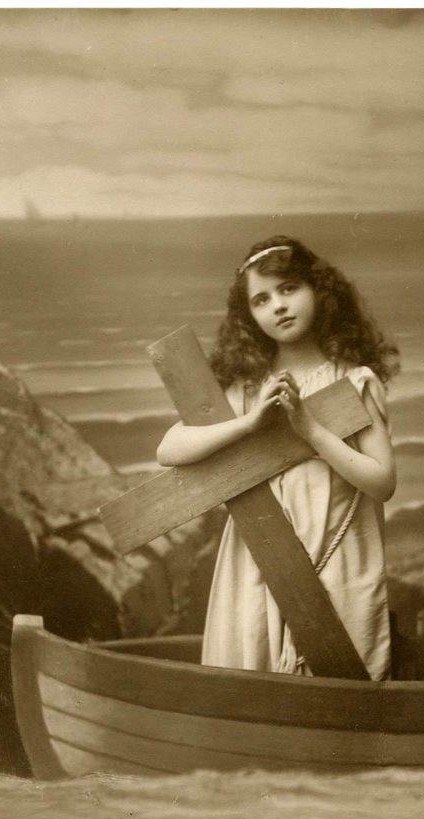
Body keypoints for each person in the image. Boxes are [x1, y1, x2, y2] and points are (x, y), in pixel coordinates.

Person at [157, 236, 398, 681]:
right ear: (249, 316)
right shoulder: (250, 388)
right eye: (261, 299)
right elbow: (168, 450)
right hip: (259, 557)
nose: (278, 307)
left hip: (338, 553)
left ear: (319, 291)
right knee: (256, 677)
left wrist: (309, 430)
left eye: (289, 288)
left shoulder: (355, 380)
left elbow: (382, 482)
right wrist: (248, 426)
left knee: (341, 685)